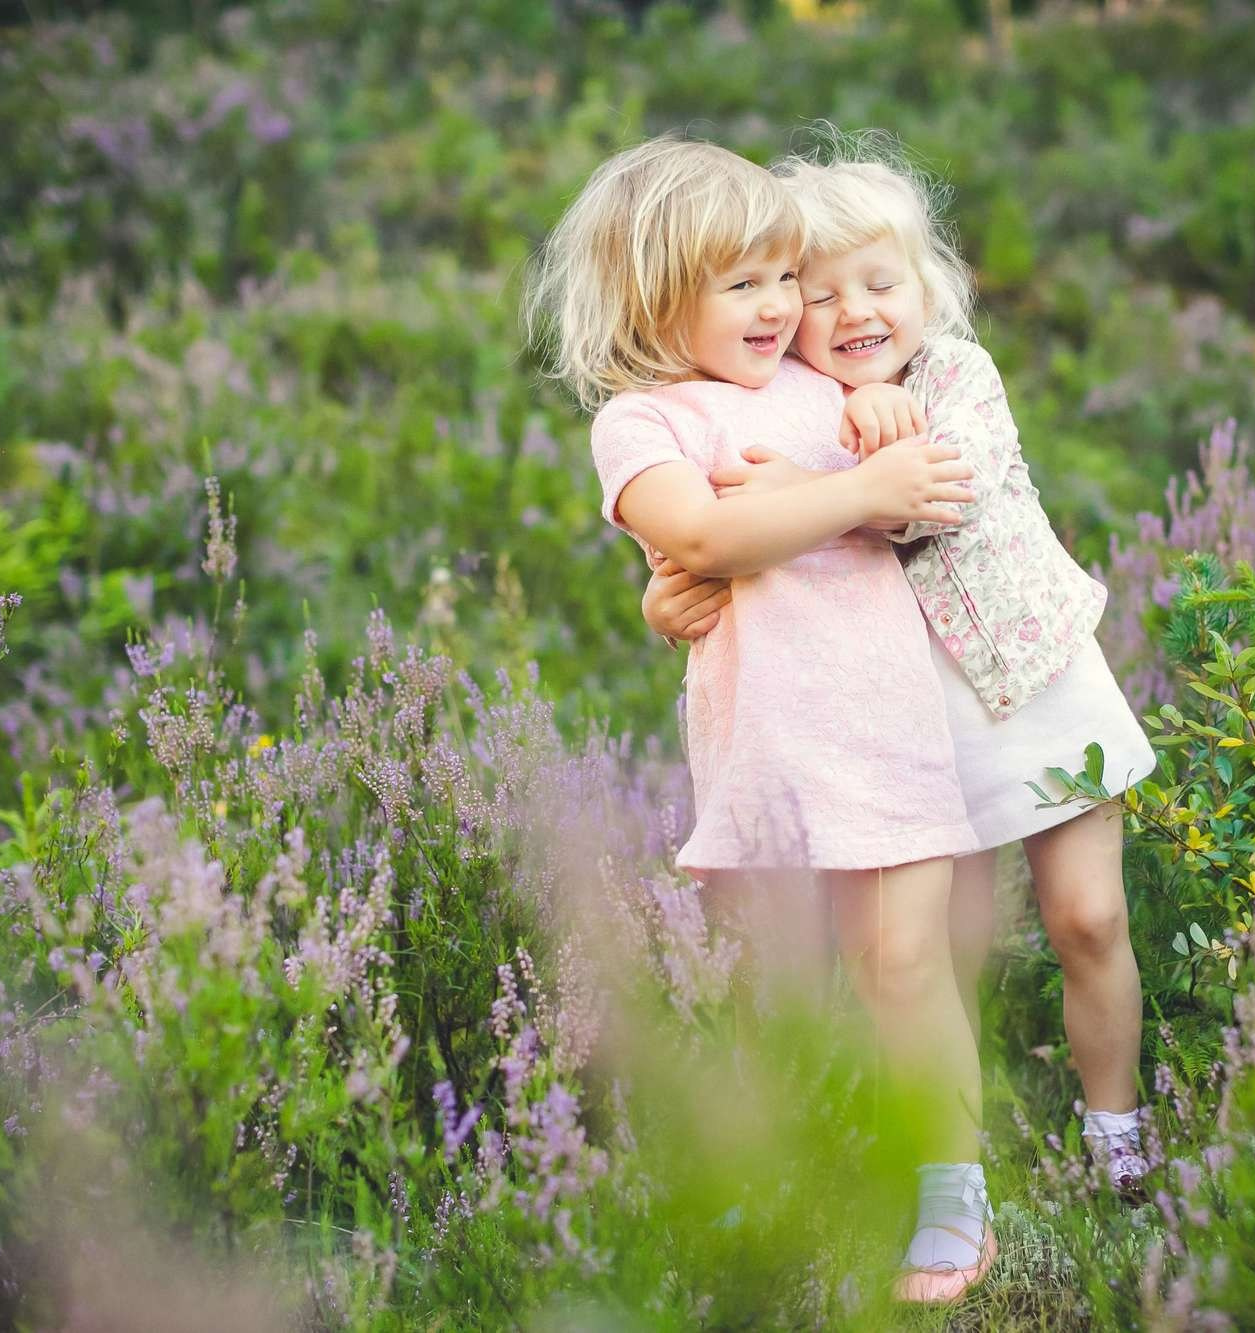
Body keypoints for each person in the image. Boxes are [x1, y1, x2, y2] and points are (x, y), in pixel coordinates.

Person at [526, 134, 1000, 1304]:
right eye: (744, 282)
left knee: (903, 966)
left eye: (782, 276)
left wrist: (879, 440)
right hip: (762, 746)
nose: (781, 304)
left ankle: (951, 1198)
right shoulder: (641, 425)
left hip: (884, 727)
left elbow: (920, 487)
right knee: (773, 983)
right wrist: (844, 499)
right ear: (652, 293)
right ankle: (792, 1178)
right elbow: (697, 536)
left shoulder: (830, 387)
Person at [643, 134, 1158, 1212]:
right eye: (816, 295)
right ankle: (959, 1160)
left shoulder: (957, 375)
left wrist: (820, 479)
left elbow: (927, 499)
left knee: (1085, 918)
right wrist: (668, 590)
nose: (852, 312)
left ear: (928, 287)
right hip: (902, 725)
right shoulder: (780, 404)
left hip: (1035, 681)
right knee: (933, 956)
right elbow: (726, 533)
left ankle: (1118, 1131)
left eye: (881, 282)